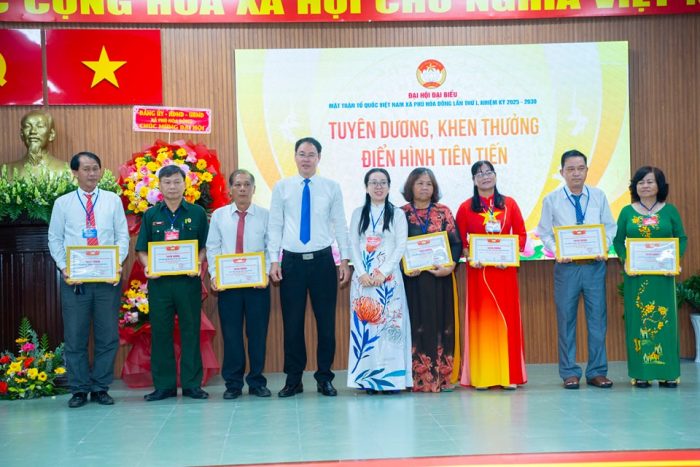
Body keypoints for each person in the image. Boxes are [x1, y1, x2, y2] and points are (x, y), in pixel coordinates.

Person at [268, 137, 351, 398]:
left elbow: (340, 224)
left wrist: (345, 260)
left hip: (323, 261)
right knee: (292, 324)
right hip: (291, 262)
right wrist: (274, 260)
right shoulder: (282, 187)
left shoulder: (331, 187)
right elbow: (275, 225)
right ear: (295, 157)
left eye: (311, 154)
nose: (306, 159)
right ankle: (293, 379)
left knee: (326, 324)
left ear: (319, 158)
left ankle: (325, 378)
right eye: (302, 154)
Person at [48, 151, 129, 408]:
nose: (92, 173)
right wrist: (64, 267)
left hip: (107, 280)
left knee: (108, 336)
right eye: (86, 169)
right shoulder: (63, 203)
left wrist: (116, 264)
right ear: (75, 173)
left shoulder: (112, 200)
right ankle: (79, 389)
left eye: (96, 168)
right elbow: (55, 238)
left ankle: (101, 387)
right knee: (75, 336)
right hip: (76, 282)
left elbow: (122, 236)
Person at [536, 149, 617, 390]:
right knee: (566, 321)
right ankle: (569, 372)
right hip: (567, 268)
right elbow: (544, 232)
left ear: (587, 170)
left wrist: (604, 246)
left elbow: (609, 227)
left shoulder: (599, 196)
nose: (576, 173)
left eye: (580, 168)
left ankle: (597, 371)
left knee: (597, 321)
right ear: (562, 172)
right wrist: (557, 250)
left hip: (594, 267)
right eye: (570, 169)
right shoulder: (551, 200)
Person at [135, 165, 209, 401]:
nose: (172, 187)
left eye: (177, 182)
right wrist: (148, 266)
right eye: (167, 182)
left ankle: (192, 385)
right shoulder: (151, 215)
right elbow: (141, 249)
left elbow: (205, 246)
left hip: (188, 283)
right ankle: (164, 386)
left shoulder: (197, 213)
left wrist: (198, 262)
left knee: (191, 332)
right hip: (160, 286)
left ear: (185, 184)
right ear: (159, 186)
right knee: (161, 334)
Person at [456, 161, 527, 390]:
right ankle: (483, 376)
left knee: (508, 322)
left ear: (495, 176)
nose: (485, 177)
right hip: (479, 274)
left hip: (505, 272)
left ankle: (509, 376)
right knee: (481, 323)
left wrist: (510, 255)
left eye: (489, 172)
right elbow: (461, 241)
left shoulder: (509, 204)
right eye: (479, 174)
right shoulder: (466, 208)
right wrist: (469, 255)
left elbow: (521, 235)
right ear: (473, 180)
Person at [613, 167, 687, 388]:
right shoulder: (627, 212)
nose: (645, 186)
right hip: (636, 277)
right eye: (640, 182)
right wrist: (626, 260)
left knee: (665, 322)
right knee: (638, 321)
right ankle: (641, 373)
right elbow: (618, 241)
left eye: (650, 181)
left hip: (663, 277)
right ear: (634, 186)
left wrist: (675, 260)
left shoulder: (670, 211)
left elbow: (681, 238)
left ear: (659, 185)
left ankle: (668, 373)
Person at [207, 169, 272, 399]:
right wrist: (215, 275)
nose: (242, 189)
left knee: (257, 335)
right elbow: (213, 247)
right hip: (229, 287)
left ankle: (257, 382)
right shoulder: (219, 216)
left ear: (254, 189)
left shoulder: (266, 215)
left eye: (247, 184)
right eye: (237, 184)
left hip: (257, 286)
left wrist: (265, 274)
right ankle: (233, 384)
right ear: (230, 189)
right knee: (232, 335)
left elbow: (271, 248)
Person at [347, 168, 412, 394]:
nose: (378, 186)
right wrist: (362, 272)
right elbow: (352, 244)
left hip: (389, 281)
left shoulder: (397, 214)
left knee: (391, 329)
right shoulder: (358, 213)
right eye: (373, 182)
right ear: (366, 187)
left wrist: (383, 272)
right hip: (363, 282)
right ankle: (368, 380)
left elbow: (401, 245)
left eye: (383, 182)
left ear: (389, 187)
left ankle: (391, 381)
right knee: (367, 330)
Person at [400, 167, 462, 393]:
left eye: (428, 184)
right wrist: (404, 267)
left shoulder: (443, 212)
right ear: (411, 186)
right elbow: (395, 246)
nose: (424, 187)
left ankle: (442, 377)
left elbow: (456, 243)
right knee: (415, 325)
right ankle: (415, 378)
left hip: (440, 279)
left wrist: (450, 266)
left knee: (441, 325)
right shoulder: (400, 214)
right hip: (412, 282)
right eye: (420, 183)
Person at [4, 110, 67, 178]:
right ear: (22, 134)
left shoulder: (66, 171)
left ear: (51, 134)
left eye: (40, 126)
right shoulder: (5, 171)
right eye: (27, 126)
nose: (33, 131)